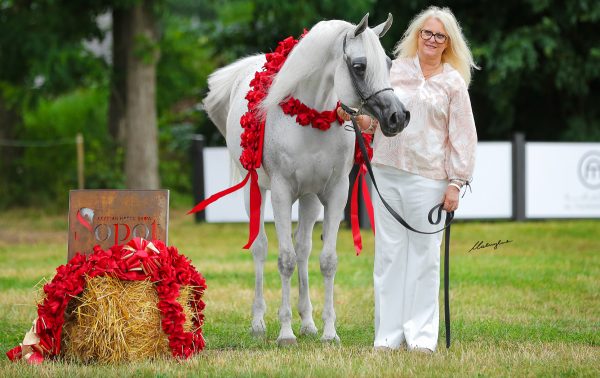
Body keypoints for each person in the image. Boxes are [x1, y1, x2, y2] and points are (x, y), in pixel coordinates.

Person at [338, 6, 478, 353]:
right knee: (388, 256)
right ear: (417, 35)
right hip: (385, 171)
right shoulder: (394, 70)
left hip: (429, 179)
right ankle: (387, 337)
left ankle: (420, 338)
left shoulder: (453, 82)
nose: (431, 39)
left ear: (448, 43)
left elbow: (463, 135)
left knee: (425, 257)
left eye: (439, 35)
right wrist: (356, 119)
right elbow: (378, 122)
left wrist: (456, 183)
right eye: (426, 33)